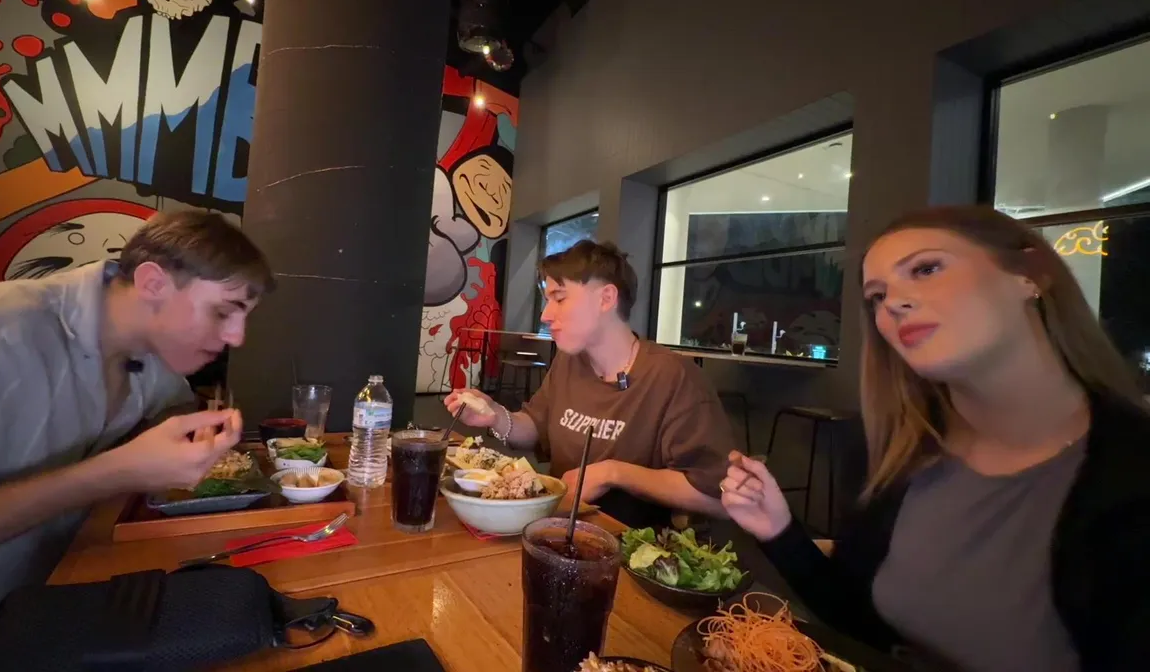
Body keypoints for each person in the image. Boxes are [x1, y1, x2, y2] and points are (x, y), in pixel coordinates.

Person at [720, 206, 1150, 672]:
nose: (893, 304)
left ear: (1031, 274)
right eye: (877, 296)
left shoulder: (1130, 475)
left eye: (926, 269)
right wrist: (780, 531)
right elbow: (862, 626)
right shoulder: (897, 456)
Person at [0, 209, 275, 671]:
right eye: (222, 312)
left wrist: (190, 435)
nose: (237, 337)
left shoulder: (151, 354)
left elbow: (172, 410)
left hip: (45, 627)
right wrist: (109, 474)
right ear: (153, 284)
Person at [446, 240, 733, 528]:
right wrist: (495, 415)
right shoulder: (569, 362)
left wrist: (614, 473)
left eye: (559, 299)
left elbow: (718, 500)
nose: (545, 315)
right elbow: (535, 427)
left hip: (626, 544)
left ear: (606, 299)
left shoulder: (672, 376)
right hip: (555, 530)